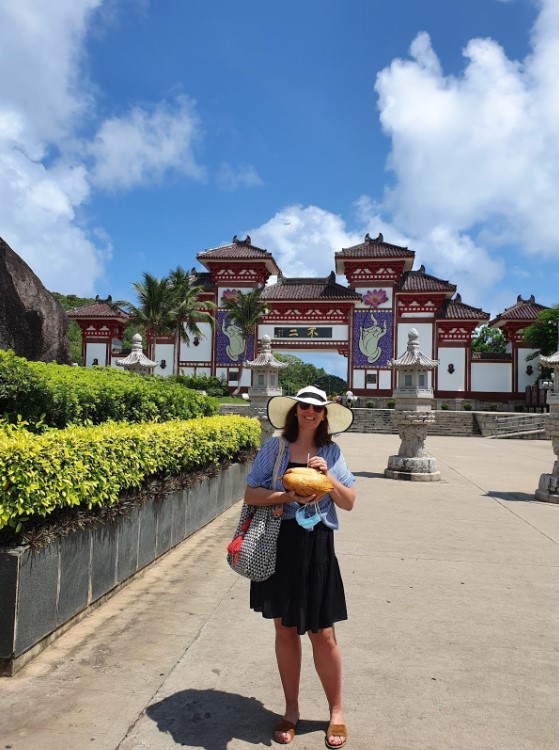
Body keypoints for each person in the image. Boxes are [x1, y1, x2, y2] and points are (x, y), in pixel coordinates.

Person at [244, 385, 355, 748]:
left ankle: (336, 711)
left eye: (317, 408)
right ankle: (291, 709)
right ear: (294, 411)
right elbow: (250, 493)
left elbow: (349, 501)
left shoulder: (331, 452)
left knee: (322, 633)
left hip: (317, 544)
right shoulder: (274, 448)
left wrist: (329, 477)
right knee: (285, 629)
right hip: (280, 540)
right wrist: (287, 495)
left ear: (324, 415)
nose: (309, 412)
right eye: (304, 406)